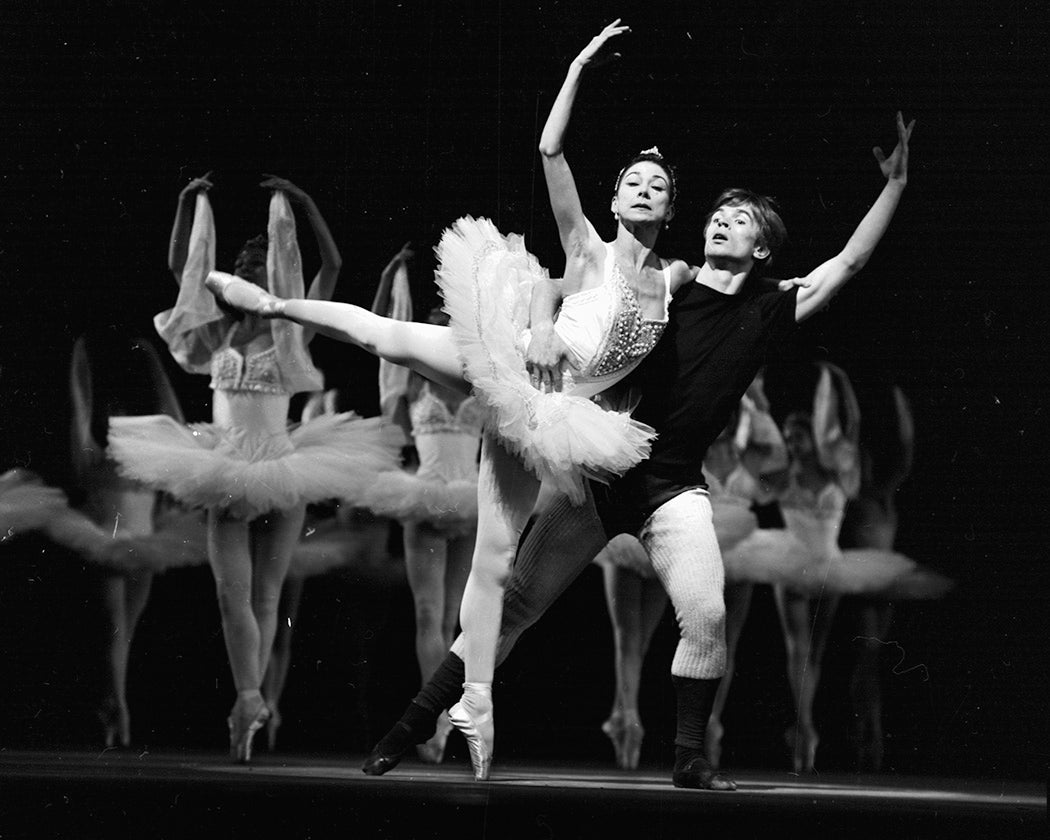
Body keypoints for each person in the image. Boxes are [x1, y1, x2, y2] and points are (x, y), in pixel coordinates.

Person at [360, 105, 917, 790]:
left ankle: (688, 756)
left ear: (763, 250)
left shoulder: (769, 308)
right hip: (599, 473)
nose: (723, 221)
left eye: (741, 221)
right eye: (719, 213)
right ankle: (411, 724)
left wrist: (892, 185)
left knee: (706, 613)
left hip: (673, 490)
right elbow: (561, 281)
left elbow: (849, 262)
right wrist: (538, 325)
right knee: (515, 607)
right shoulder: (662, 287)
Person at [206, 19, 696, 779]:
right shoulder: (588, 249)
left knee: (496, 565)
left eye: (656, 186)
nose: (642, 188)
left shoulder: (675, 280)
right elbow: (549, 151)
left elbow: (745, 292)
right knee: (386, 337)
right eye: (633, 179)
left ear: (669, 210)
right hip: (507, 362)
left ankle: (475, 699)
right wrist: (577, 64)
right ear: (615, 195)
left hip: (553, 421)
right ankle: (272, 305)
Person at [106, 174, 402, 763]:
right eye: (240, 258)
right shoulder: (216, 329)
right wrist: (188, 203)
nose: (245, 264)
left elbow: (334, 267)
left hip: (283, 466)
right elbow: (180, 269)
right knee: (229, 593)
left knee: (266, 594)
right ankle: (248, 700)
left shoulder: (293, 326)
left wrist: (308, 203)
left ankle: (254, 698)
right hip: (223, 462)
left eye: (256, 259)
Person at [720, 363, 951, 772]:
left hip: (827, 565)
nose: (791, 441)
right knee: (798, 649)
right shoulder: (784, 477)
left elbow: (850, 433)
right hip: (789, 562)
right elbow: (749, 468)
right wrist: (751, 406)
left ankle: (816, 728)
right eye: (788, 436)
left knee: (819, 649)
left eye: (797, 434)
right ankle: (805, 725)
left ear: (812, 435)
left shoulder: (839, 475)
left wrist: (840, 387)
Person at [593, 379, 785, 770]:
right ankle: (627, 719)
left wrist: (757, 404)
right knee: (633, 637)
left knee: (714, 637)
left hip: (722, 538)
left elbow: (777, 471)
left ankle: (703, 724)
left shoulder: (746, 438)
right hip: (667, 523)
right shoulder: (696, 418)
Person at [362, 246, 482, 763]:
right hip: (428, 495)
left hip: (472, 501)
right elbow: (379, 341)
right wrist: (389, 281)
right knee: (429, 612)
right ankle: (432, 724)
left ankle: (440, 716)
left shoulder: (477, 379)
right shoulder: (410, 382)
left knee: (458, 618)